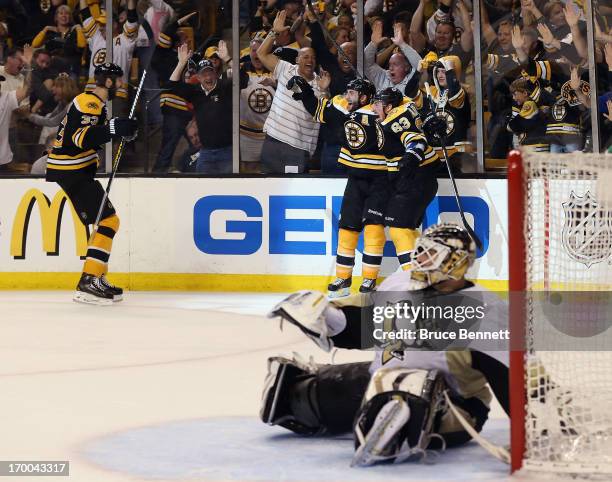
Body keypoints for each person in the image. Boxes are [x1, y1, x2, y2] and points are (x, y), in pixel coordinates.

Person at [263, 223, 510, 466]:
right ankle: (379, 409)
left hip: (455, 406)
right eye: (420, 250)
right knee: (293, 397)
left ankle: (392, 424)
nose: (420, 258)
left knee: (403, 383)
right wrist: (325, 315)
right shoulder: (400, 283)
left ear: (455, 262)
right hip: (383, 381)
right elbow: (363, 325)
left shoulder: (484, 313)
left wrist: (535, 432)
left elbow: (513, 379)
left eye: (431, 253)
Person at [45, 62, 138, 305]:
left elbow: (93, 137)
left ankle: (97, 277)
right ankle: (88, 281)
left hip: (76, 170)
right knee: (109, 220)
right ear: (108, 81)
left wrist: (118, 131)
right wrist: (112, 130)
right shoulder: (90, 102)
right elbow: (79, 139)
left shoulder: (97, 105)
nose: (120, 84)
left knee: (103, 220)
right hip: (71, 170)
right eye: (118, 80)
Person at [289, 75, 386, 295]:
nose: (347, 97)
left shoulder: (380, 114)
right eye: (348, 93)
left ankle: (370, 279)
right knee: (347, 228)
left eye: (352, 93)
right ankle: (343, 278)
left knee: (373, 230)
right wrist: (306, 92)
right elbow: (320, 111)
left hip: (380, 179)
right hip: (355, 179)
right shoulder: (345, 112)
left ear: (364, 97)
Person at [373, 87, 440, 272]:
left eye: (377, 104)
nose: (373, 108)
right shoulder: (396, 112)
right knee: (406, 229)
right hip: (413, 180)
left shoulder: (397, 115)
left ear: (389, 107)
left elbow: (416, 141)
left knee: (398, 227)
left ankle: (413, 280)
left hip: (417, 179)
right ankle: (426, 275)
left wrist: (411, 156)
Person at [257, 10, 328, 174]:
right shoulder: (285, 69)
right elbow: (261, 53)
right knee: (266, 188)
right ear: (297, 60)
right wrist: (274, 32)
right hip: (272, 141)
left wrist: (324, 91)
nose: (309, 60)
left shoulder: (320, 83)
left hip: (298, 148)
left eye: (312, 58)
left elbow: (323, 115)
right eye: (305, 57)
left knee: (292, 193)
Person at [167, 45, 233, 174]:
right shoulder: (195, 92)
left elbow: (242, 76)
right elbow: (172, 85)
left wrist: (227, 59)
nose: (208, 78)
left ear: (215, 73)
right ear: (198, 77)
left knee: (228, 189)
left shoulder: (225, 87)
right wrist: (181, 63)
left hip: (227, 151)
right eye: (204, 74)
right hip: (205, 152)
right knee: (202, 186)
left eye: (210, 73)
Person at [0, 45, 33, 170]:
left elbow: (25, 110)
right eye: (20, 59)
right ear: (9, 59)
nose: (22, 63)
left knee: (9, 171)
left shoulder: (22, 79)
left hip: (10, 130)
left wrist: (29, 66)